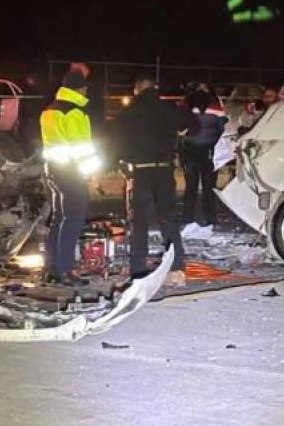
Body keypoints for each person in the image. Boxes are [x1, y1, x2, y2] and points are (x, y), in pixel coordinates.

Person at [114, 77, 196, 284]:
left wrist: (121, 161)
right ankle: (176, 269)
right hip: (164, 170)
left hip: (140, 171)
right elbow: (193, 124)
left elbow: (115, 139)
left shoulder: (130, 112)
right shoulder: (167, 108)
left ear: (136, 90)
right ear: (154, 89)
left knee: (139, 222)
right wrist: (181, 134)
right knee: (168, 219)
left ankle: (138, 270)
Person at [40, 70, 101, 287]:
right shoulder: (75, 112)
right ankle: (66, 269)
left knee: (58, 219)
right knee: (73, 220)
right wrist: (91, 174)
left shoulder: (49, 110)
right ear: (81, 89)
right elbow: (81, 148)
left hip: (53, 171)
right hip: (72, 173)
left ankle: (51, 268)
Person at [180, 88, 227, 238]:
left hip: (190, 151)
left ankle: (188, 218)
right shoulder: (217, 109)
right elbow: (222, 129)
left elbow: (180, 129)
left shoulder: (187, 108)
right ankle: (210, 218)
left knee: (191, 188)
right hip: (210, 152)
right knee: (209, 187)